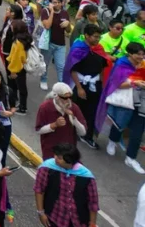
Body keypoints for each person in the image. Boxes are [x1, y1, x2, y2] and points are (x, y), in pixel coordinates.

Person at [102, 42, 145, 172]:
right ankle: (112, 141)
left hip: (141, 101)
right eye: (139, 54)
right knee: (119, 122)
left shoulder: (143, 64)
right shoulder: (122, 64)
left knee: (138, 131)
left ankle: (130, 158)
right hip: (126, 98)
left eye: (143, 54)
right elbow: (117, 84)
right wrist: (135, 83)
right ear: (130, 54)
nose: (141, 57)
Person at [34, 143, 99, 227]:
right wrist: (41, 213)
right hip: (55, 218)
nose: (55, 158)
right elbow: (39, 190)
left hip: (79, 221)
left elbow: (93, 202)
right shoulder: (46, 168)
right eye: (56, 155)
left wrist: (92, 224)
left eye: (59, 158)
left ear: (70, 160)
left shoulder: (86, 176)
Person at [36, 82, 87, 162]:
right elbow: (39, 130)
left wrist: (73, 118)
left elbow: (82, 132)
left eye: (70, 97)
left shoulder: (74, 108)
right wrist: (54, 125)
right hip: (51, 153)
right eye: (65, 98)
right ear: (56, 97)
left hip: (69, 154)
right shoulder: (45, 107)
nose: (68, 101)